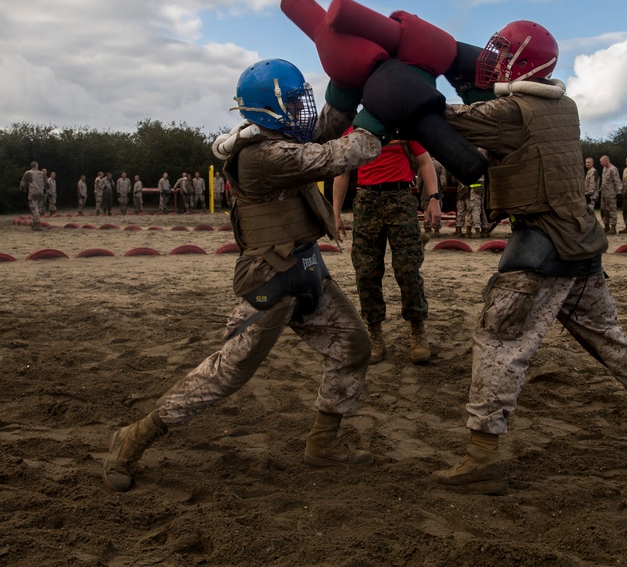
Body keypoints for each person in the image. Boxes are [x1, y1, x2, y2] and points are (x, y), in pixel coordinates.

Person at [430, 20, 627, 494]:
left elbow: (447, 120)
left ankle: (481, 457)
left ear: (520, 62)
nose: (493, 60)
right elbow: (496, 109)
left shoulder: (515, 112)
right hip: (581, 244)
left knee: (500, 344)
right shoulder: (562, 104)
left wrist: (409, 88)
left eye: (503, 54)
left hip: (541, 248)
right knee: (610, 339)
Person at [102, 59, 384, 493]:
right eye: (292, 102)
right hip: (270, 278)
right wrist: (383, 112)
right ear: (269, 107)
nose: (300, 110)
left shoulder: (280, 139)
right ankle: (135, 436)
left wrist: (350, 83)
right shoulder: (264, 156)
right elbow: (342, 152)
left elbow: (328, 126)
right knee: (226, 372)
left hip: (305, 268)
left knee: (353, 347)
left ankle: (323, 444)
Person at [332, 133, 442, 365]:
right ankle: (375, 336)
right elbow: (343, 172)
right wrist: (335, 213)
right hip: (366, 201)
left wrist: (434, 198)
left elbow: (424, 161)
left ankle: (417, 332)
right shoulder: (355, 131)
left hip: (401, 199)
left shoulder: (403, 127)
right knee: (366, 272)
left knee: (408, 270)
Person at [415, 156, 448, 239]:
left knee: (426, 211)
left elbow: (419, 181)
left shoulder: (422, 164)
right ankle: (437, 230)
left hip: (425, 193)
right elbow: (443, 181)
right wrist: (442, 191)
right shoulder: (440, 165)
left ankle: (427, 229)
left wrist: (419, 190)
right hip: (437, 192)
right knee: (437, 210)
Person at [19, 161, 46, 231]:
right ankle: (34, 224)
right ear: (37, 165)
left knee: (34, 208)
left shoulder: (28, 173)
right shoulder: (41, 173)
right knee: (39, 208)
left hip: (33, 193)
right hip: (41, 193)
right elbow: (47, 183)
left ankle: (37, 224)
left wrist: (22, 188)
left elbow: (22, 183)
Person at [599, 155, 622, 235]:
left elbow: (617, 181)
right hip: (604, 193)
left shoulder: (613, 169)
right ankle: (606, 226)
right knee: (604, 210)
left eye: (601, 162)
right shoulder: (604, 169)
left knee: (611, 210)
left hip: (611, 194)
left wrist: (619, 192)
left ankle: (613, 227)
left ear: (606, 161)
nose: (601, 163)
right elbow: (604, 181)